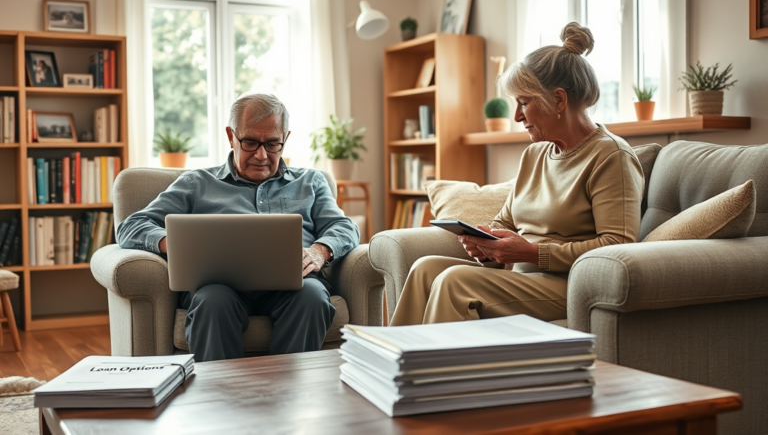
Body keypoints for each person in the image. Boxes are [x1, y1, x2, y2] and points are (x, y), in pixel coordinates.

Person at [390, 22, 644, 326]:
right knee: (424, 269)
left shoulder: (610, 156)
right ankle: (391, 368)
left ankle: (430, 374)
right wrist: (487, 245)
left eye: (524, 103)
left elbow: (618, 246)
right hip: (523, 277)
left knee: (455, 282)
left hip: (571, 284)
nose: (516, 116)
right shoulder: (536, 154)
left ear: (559, 100)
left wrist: (534, 253)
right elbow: (506, 221)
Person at [116, 94, 360, 361]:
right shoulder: (196, 183)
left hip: (295, 284)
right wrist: (171, 242)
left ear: (285, 139)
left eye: (272, 144)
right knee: (212, 302)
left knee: (313, 297)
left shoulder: (311, 182)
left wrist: (319, 250)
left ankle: (289, 396)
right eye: (250, 142)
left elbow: (344, 227)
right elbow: (131, 226)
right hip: (218, 286)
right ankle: (219, 397)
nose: (261, 155)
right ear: (231, 136)